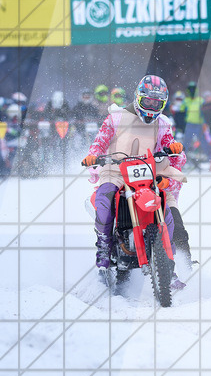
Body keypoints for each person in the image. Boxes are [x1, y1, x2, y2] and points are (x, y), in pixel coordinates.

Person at [80, 75, 190, 286]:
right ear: (138, 98)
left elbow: (171, 145)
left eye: (157, 103)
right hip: (115, 171)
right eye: (147, 101)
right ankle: (103, 249)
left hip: (146, 172)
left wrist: (175, 149)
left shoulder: (163, 123)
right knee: (105, 199)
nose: (151, 106)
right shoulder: (116, 117)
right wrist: (94, 155)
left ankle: (170, 267)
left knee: (165, 210)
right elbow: (100, 141)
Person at [182, 80, 205, 158]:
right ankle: (184, 158)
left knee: (203, 141)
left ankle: (206, 157)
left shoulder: (200, 100)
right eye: (190, 89)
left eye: (193, 89)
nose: (192, 91)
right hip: (189, 124)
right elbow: (181, 111)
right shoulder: (186, 101)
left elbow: (204, 112)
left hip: (199, 124)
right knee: (186, 142)